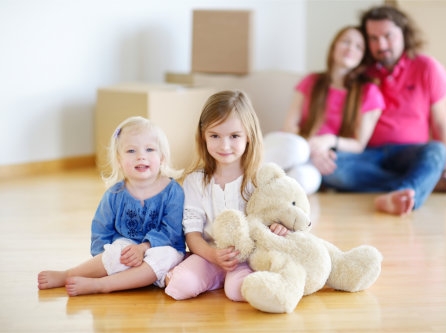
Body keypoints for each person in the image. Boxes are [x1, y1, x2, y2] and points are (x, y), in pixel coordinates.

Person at [319, 5, 446, 215]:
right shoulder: (360, 73)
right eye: (374, 38)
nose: (381, 44)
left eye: (388, 36)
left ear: (403, 33)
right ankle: (422, 182)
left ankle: (403, 194)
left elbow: (441, 123)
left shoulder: (428, 68)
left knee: (436, 151)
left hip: (410, 153)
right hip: (368, 155)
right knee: (328, 169)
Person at [37, 116, 186, 296]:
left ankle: (102, 285)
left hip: (160, 249)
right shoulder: (115, 194)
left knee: (166, 256)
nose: (141, 156)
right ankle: (68, 274)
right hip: (127, 252)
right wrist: (105, 259)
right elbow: (101, 230)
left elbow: (171, 232)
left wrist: (143, 248)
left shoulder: (173, 191)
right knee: (118, 251)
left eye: (149, 149)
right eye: (131, 150)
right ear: (119, 159)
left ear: (162, 157)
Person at [164, 90, 289, 302]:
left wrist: (282, 226)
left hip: (249, 258)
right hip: (209, 255)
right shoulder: (195, 181)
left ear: (248, 135)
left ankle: (232, 280)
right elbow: (192, 234)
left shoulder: (260, 178)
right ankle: (213, 277)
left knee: (237, 291)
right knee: (178, 287)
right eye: (215, 136)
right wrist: (213, 256)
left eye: (234, 136)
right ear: (203, 136)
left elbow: (289, 213)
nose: (224, 146)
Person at [264, 25, 385, 195]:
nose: (351, 48)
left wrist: (329, 141)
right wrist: (311, 146)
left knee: (303, 179)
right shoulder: (312, 81)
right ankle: (237, 184)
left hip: (319, 160)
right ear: (334, 46)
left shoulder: (369, 92)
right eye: (346, 42)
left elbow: (359, 144)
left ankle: (261, 198)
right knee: (297, 149)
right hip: (292, 144)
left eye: (359, 46)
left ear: (363, 57)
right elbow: (290, 125)